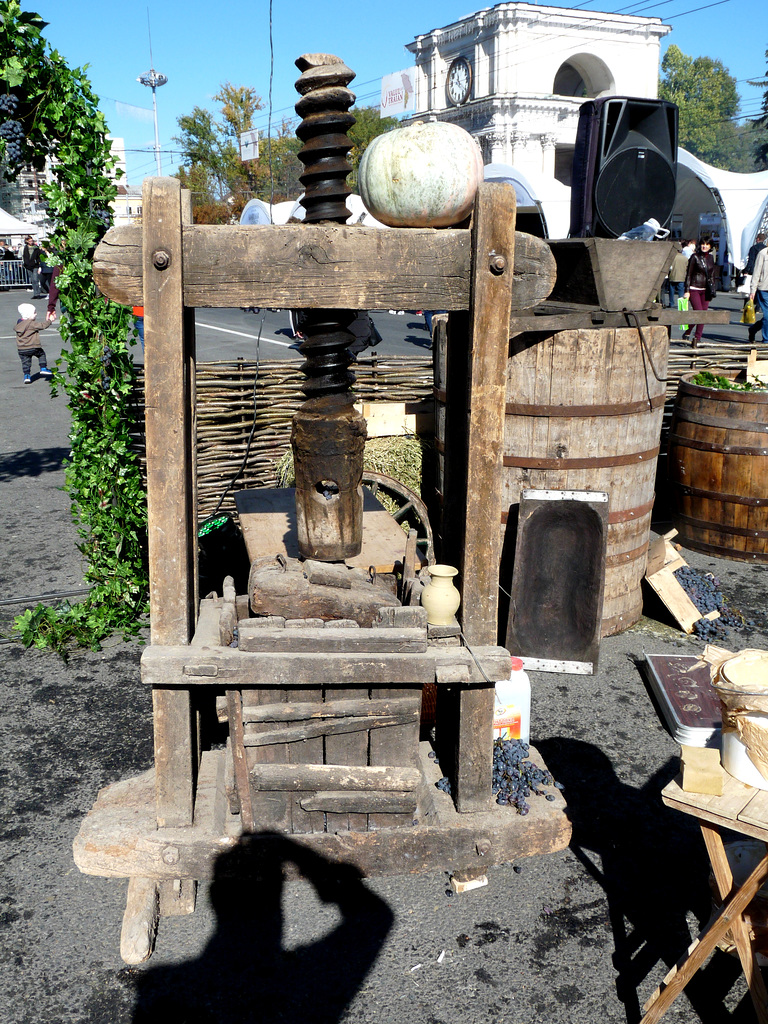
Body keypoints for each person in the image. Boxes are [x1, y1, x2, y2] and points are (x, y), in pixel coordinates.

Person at [682, 235, 716, 347]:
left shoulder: (711, 258)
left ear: (710, 246)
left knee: (703, 315)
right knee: (698, 312)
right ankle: (687, 332)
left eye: (707, 244)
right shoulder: (694, 257)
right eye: (703, 244)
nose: (704, 246)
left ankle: (697, 338)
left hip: (706, 290)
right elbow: (688, 275)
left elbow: (711, 275)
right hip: (694, 288)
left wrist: (712, 289)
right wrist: (687, 290)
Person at [14, 302, 53, 383]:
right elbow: (43, 325)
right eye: (34, 313)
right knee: (41, 354)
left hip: (21, 349)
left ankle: (27, 376)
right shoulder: (31, 324)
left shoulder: (19, 323)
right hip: (33, 347)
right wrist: (50, 320)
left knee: (25, 362)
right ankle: (43, 368)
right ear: (28, 315)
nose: (36, 314)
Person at [749, 244, 768, 343]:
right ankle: (766, 341)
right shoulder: (763, 253)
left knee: (767, 317)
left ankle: (753, 329)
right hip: (764, 289)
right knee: (767, 316)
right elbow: (756, 272)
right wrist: (753, 289)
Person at [667, 243, 688, 309]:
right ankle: (681, 304)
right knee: (681, 291)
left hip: (672, 276)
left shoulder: (672, 258)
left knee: (671, 291)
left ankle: (671, 303)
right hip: (681, 277)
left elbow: (669, 268)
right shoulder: (685, 258)